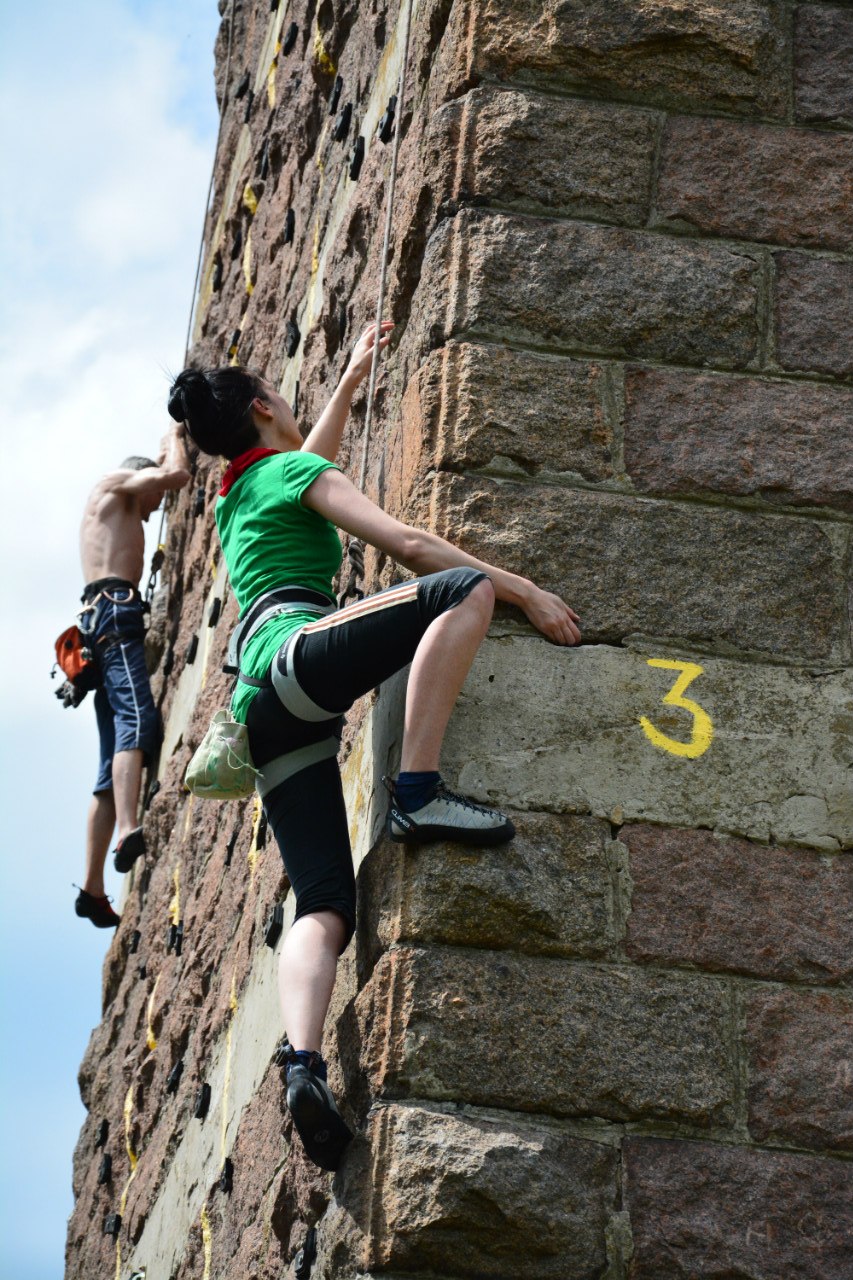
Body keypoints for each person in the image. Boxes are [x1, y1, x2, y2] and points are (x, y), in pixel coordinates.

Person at [167, 323, 580, 1169]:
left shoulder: (236, 493)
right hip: (295, 655)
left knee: (322, 904)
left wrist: (350, 381)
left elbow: (298, 462)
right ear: (263, 406)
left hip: (265, 713)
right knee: (458, 588)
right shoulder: (290, 472)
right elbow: (410, 547)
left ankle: (303, 1062)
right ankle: (418, 791)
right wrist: (526, 590)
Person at [75, 424, 191, 929]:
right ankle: (126, 827)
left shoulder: (113, 504)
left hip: (95, 622)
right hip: (115, 615)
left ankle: (93, 887)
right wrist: (176, 432)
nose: (151, 513)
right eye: (151, 504)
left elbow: (163, 477)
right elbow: (177, 474)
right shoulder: (113, 483)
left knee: (108, 766)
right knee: (137, 721)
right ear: (139, 482)